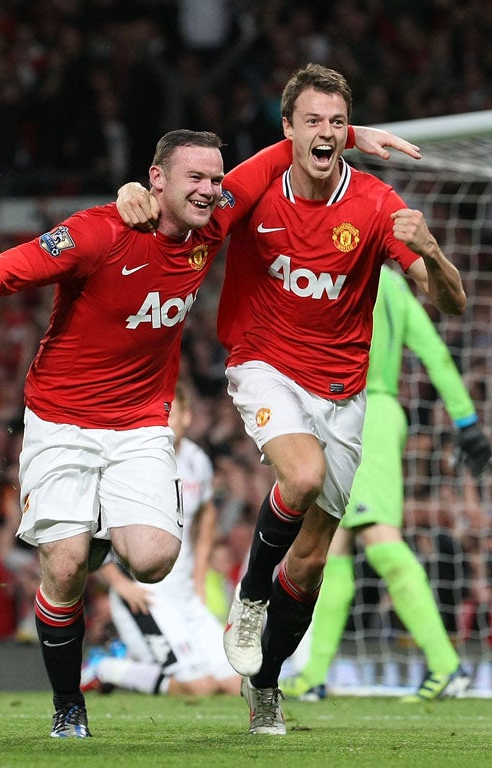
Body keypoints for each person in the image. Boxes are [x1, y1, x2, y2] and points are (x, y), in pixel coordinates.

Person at [0, 124, 410, 738]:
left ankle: (93, 537)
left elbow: (286, 152)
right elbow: (8, 270)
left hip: (141, 425)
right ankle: (68, 706)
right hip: (61, 419)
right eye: (195, 179)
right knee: (67, 566)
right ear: (157, 180)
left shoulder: (214, 223)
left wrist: (344, 131)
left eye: (215, 178)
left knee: (153, 561)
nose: (210, 190)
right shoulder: (97, 232)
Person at [116, 63, 465, 734]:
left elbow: (447, 300)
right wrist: (136, 190)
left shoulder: (375, 204)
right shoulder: (253, 188)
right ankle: (249, 598)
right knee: (299, 476)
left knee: (310, 560)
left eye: (338, 122)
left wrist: (434, 252)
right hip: (264, 363)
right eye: (313, 121)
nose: (327, 133)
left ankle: (267, 685)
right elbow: (185, 210)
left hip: (345, 390)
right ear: (288, 130)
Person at [280, 265, 491, 702]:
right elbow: (434, 351)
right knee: (330, 544)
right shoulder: (395, 284)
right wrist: (466, 422)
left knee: (378, 538)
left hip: (364, 413)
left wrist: (468, 422)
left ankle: (446, 665)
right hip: (357, 414)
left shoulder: (347, 276)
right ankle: (315, 674)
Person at [83, 381, 241, 697]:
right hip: (144, 597)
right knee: (199, 688)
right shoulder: (133, 462)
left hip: (185, 595)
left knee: (235, 684)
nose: (162, 420)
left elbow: (207, 514)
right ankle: (107, 668)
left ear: (186, 417)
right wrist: (120, 584)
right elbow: (94, 529)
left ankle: (131, 662)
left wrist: (199, 579)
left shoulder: (197, 460)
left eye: (169, 412)